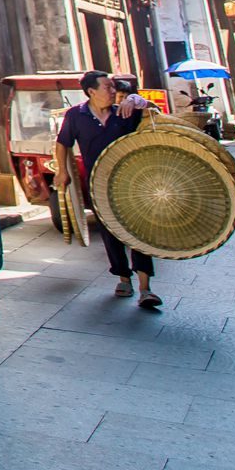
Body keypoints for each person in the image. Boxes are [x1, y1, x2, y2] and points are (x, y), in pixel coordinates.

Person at [53, 70, 161, 309]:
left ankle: (145, 288)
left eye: (113, 88)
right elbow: (62, 143)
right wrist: (62, 171)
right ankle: (124, 279)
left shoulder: (124, 112)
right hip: (98, 184)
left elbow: (155, 115)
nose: (113, 91)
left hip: (131, 183)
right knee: (111, 233)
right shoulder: (76, 116)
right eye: (107, 87)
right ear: (91, 92)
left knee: (138, 232)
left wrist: (136, 99)